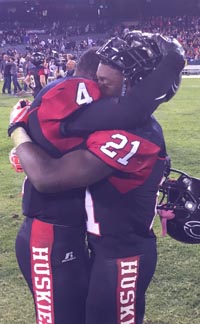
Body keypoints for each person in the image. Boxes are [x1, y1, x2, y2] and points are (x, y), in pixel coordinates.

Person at [9, 34, 185, 324]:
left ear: (135, 85)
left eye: (103, 83)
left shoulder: (134, 130)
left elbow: (48, 176)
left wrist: (18, 130)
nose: (92, 90)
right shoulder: (112, 118)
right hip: (86, 245)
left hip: (121, 256)